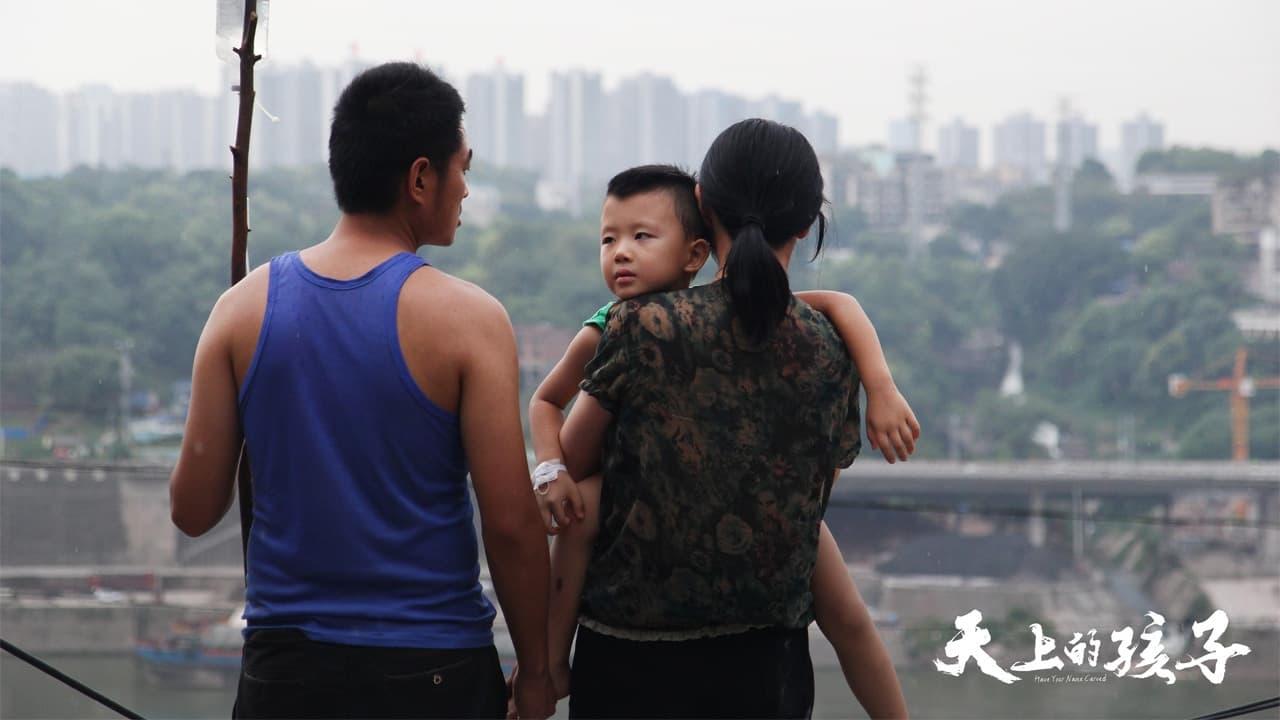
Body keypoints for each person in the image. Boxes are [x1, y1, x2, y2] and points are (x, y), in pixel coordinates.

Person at [168, 62, 555, 720]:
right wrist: (539, 671)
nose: (465, 188)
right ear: (421, 178)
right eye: (463, 167)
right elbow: (513, 526)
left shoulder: (240, 311)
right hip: (434, 673)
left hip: (284, 674)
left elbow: (193, 510)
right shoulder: (470, 320)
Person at [526, 165, 919, 713]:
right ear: (805, 225)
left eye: (642, 237)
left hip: (639, 617)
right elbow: (836, 305)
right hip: (757, 584)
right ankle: (548, 664)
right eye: (608, 239)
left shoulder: (647, 322)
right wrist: (550, 471)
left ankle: (546, 668)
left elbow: (835, 302)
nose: (620, 252)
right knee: (847, 616)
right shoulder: (616, 322)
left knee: (851, 616)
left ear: (699, 240)